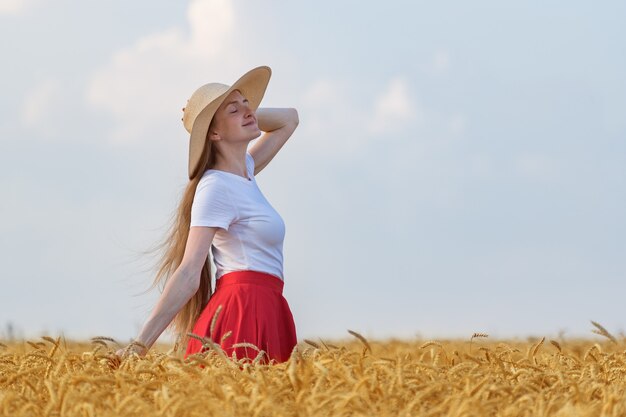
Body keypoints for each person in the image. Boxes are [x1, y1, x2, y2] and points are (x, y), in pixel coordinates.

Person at [115, 66, 299, 365]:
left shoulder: (247, 172)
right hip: (241, 314)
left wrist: (228, 114)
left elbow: (290, 118)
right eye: (234, 109)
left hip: (270, 307)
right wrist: (140, 345)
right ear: (213, 133)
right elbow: (189, 272)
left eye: (247, 104)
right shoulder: (216, 187)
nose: (247, 111)